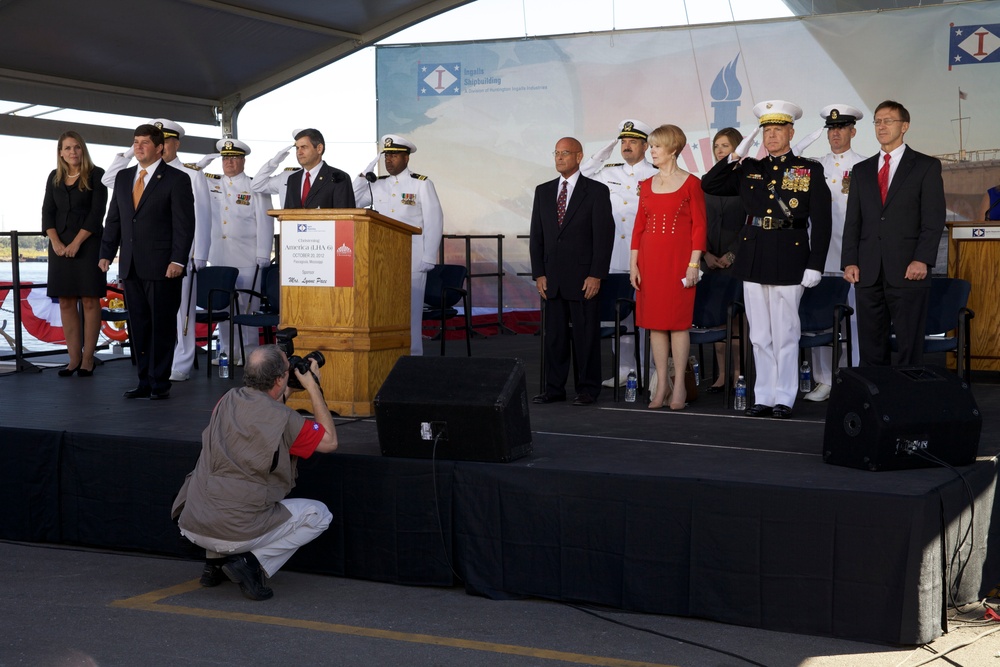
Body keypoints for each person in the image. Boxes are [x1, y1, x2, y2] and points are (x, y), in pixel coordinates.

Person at [170, 344, 338, 601]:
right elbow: (329, 441)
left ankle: (214, 565)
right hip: (234, 533)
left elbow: (261, 412)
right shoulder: (286, 420)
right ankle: (250, 563)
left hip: (192, 524)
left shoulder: (225, 401)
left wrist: (287, 389)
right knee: (319, 515)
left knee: (222, 483)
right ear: (280, 378)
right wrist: (313, 385)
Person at [702, 100, 832, 419]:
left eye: (778, 130)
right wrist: (734, 156)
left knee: (786, 332)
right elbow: (710, 184)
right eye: (766, 131)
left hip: (791, 257)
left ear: (791, 132)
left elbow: (823, 221)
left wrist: (816, 264)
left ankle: (785, 397)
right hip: (754, 256)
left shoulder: (808, 169)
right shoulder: (749, 168)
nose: (771, 136)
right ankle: (764, 394)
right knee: (759, 334)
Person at [102, 119, 213, 383]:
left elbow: (187, 224)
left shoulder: (180, 177)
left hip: (164, 265)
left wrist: (181, 259)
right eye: (135, 143)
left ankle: (161, 381)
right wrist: (106, 252)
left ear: (161, 148)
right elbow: (114, 218)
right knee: (139, 326)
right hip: (131, 264)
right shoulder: (124, 177)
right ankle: (143, 381)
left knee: (164, 325)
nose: (139, 148)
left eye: (145, 143)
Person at [842, 100, 946, 367]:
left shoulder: (925, 166)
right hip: (868, 270)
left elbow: (933, 220)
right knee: (871, 344)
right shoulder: (862, 170)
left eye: (888, 120)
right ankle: (876, 402)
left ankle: (908, 403)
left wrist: (922, 259)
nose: (882, 126)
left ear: (905, 126)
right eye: (877, 121)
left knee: (909, 343)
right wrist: (850, 261)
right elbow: (853, 221)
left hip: (908, 268)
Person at [529, 137, 614, 406]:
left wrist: (596, 274)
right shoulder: (543, 191)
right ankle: (554, 388)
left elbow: (604, 237)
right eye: (556, 153)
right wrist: (538, 274)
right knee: (554, 338)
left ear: (579, 157)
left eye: (565, 153)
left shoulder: (596, 191)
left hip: (583, 278)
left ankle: (587, 389)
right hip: (551, 279)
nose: (559, 158)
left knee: (585, 337)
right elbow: (537, 236)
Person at [629, 124, 706, 410]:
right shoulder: (646, 185)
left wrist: (693, 263)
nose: (652, 151)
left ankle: (680, 390)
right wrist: (633, 264)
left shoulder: (691, 183)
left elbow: (699, 227)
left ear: (673, 149)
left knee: (677, 323)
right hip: (650, 262)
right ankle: (661, 384)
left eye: (656, 146)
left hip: (679, 263)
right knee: (654, 325)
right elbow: (639, 226)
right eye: (650, 146)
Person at [792, 104, 866, 401]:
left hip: (852, 255)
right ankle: (824, 379)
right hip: (818, 256)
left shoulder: (864, 165)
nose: (835, 134)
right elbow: (790, 186)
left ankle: (853, 374)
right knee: (818, 317)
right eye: (831, 129)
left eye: (841, 128)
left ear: (852, 131)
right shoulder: (812, 166)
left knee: (854, 319)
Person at [580, 119, 657, 386]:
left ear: (645, 146)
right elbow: (582, 175)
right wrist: (604, 151)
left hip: (644, 256)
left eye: (632, 142)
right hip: (613, 255)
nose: (626, 146)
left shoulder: (656, 172)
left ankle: (649, 370)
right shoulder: (608, 172)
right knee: (618, 316)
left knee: (645, 318)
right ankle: (625, 369)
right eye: (623, 142)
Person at [352, 134, 444, 355]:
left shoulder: (421, 184)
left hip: (413, 257)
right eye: (386, 155)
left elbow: (434, 220)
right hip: (382, 258)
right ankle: (389, 355)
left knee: (410, 311)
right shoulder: (378, 184)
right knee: (385, 309)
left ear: (406, 158)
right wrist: (363, 176)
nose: (389, 160)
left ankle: (413, 356)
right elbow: (353, 201)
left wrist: (429, 256)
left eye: (394, 155)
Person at [41, 131, 109, 377]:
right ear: (61, 152)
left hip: (88, 244)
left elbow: (97, 213)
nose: (73, 152)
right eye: (68, 148)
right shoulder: (54, 177)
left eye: (77, 147)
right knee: (67, 301)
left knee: (90, 300)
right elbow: (47, 212)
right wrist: (56, 242)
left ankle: (88, 359)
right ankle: (73, 359)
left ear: (83, 150)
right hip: (59, 245)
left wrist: (77, 242)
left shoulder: (96, 174)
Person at [202, 138, 274, 363]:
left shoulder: (255, 185)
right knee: (223, 305)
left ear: (243, 160)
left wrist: (264, 251)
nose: (229, 162)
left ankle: (249, 351)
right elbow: (187, 176)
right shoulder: (209, 183)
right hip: (220, 254)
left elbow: (265, 221)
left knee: (246, 306)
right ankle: (227, 351)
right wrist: (201, 165)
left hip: (247, 255)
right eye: (225, 158)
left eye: (234, 158)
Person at [702, 127, 744, 393]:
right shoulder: (706, 180)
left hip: (737, 260)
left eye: (725, 145)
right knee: (716, 317)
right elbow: (698, 222)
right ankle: (721, 374)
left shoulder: (746, 179)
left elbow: (751, 223)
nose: (719, 150)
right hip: (709, 259)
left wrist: (732, 254)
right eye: (716, 146)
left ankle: (739, 372)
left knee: (737, 319)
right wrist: (705, 253)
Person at [251, 128, 356, 209]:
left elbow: (345, 219)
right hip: (296, 236)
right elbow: (288, 214)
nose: (299, 152)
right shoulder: (292, 179)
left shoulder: (338, 178)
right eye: (297, 148)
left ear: (319, 148)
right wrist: (274, 161)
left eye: (304, 147)